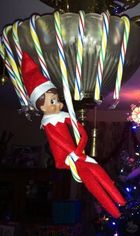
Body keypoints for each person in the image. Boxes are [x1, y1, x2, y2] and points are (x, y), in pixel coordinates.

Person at [21, 52, 126, 218]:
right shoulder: (48, 123)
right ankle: (115, 210)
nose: (58, 103)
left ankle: (120, 201)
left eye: (56, 99)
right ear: (42, 108)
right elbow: (58, 141)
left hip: (76, 154)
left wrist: (82, 144)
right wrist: (74, 153)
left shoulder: (63, 116)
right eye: (53, 101)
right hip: (67, 157)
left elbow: (80, 130)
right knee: (91, 180)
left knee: (97, 172)